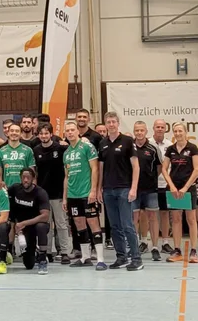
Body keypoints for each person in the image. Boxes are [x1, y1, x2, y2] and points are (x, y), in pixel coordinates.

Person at [98, 112, 142, 271]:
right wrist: (99, 188)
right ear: (105, 124)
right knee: (114, 226)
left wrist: (134, 188)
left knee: (127, 225)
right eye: (108, 122)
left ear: (118, 123)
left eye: (113, 122)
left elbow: (136, 166)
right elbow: (101, 168)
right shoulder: (102, 143)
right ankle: (121, 257)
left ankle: (136, 258)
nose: (111, 124)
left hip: (124, 189)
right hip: (108, 190)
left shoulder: (127, 141)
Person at [62, 121, 101, 268]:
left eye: (72, 130)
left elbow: (95, 169)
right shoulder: (66, 153)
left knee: (93, 223)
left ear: (78, 131)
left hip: (87, 193)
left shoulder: (87, 147)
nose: (70, 132)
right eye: (67, 131)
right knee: (79, 223)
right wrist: (65, 198)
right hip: (73, 195)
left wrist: (93, 190)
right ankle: (85, 257)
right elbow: (66, 177)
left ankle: (100, 259)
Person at [162, 122, 198, 263]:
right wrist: (172, 186)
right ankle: (177, 250)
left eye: (180, 131)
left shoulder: (192, 148)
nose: (178, 133)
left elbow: (197, 169)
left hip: (188, 188)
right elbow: (164, 169)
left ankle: (194, 251)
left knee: (191, 219)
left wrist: (185, 187)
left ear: (185, 132)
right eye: (175, 131)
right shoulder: (170, 149)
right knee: (176, 219)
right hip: (174, 189)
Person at [33, 123, 71, 264]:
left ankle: (65, 252)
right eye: (41, 134)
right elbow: (35, 172)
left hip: (59, 193)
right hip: (43, 194)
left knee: (61, 224)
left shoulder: (61, 148)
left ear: (51, 134)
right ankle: (46, 251)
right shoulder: (36, 150)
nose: (44, 136)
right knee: (45, 225)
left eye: (46, 133)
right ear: (38, 135)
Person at [8, 168, 51, 274]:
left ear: (33, 178)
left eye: (28, 177)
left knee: (41, 226)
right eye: (23, 177)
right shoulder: (15, 189)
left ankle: (42, 259)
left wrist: (24, 223)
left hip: (36, 225)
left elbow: (45, 216)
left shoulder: (41, 193)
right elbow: (2, 193)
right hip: (23, 229)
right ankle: (34, 251)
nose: (25, 180)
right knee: (28, 264)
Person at [132, 122, 163, 261]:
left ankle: (155, 247)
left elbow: (159, 167)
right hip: (133, 189)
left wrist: (151, 179)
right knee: (134, 218)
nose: (139, 133)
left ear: (146, 131)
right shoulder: (129, 146)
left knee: (153, 217)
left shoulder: (153, 148)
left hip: (150, 189)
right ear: (134, 131)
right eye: (137, 130)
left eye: (142, 130)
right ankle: (134, 248)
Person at [149, 118, 174, 255]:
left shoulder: (170, 145)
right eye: (157, 126)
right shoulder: (147, 143)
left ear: (165, 129)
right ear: (153, 128)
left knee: (164, 213)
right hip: (149, 185)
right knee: (147, 214)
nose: (159, 129)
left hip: (164, 184)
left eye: (162, 127)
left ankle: (165, 242)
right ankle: (144, 242)